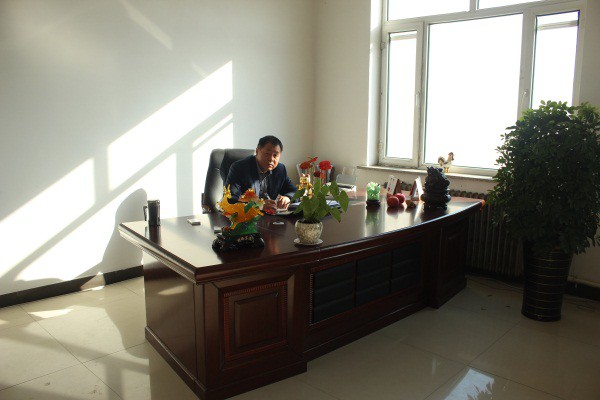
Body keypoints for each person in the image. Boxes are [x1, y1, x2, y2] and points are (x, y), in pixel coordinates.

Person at [225, 135, 296, 210]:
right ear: (257, 151)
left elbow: (293, 191)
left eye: (275, 155)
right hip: (245, 216)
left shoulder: (280, 169)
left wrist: (288, 197)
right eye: (267, 154)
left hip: (269, 216)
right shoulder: (239, 168)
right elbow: (231, 200)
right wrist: (260, 205)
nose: (271, 159)